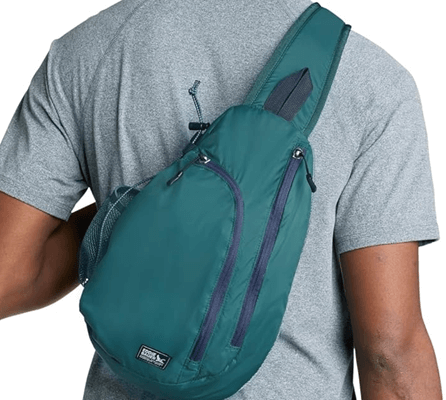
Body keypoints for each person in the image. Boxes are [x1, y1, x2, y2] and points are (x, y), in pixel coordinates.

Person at [0, 0, 442, 399]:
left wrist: (141, 210)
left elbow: (9, 275)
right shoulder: (373, 82)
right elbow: (390, 354)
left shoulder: (86, 51)